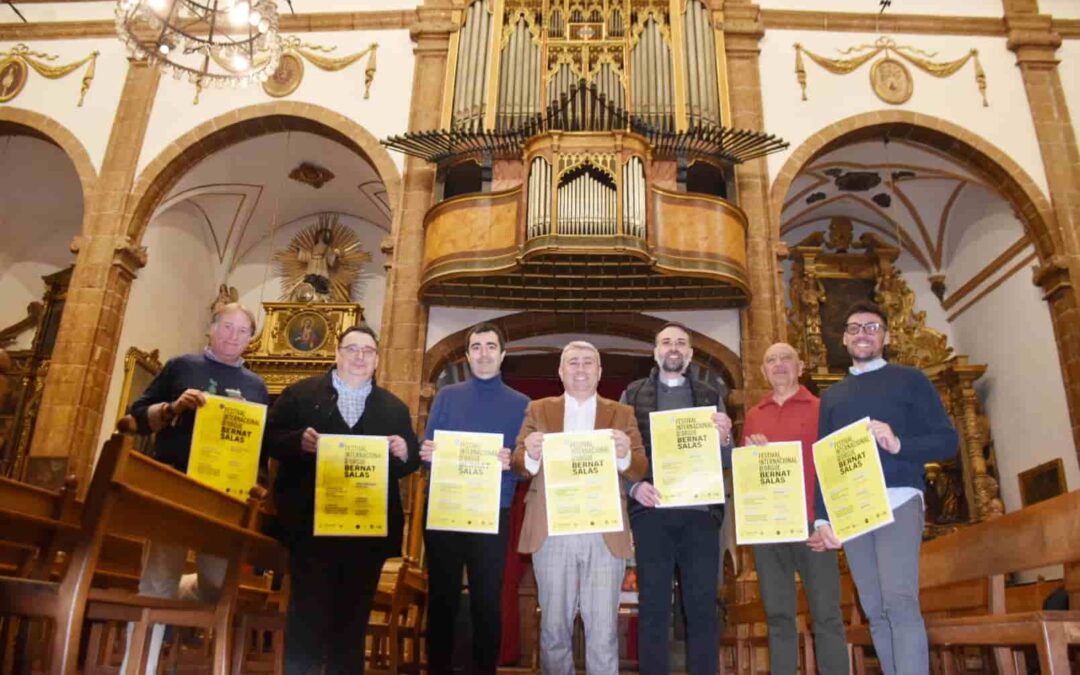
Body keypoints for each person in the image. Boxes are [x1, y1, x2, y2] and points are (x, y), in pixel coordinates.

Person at [810, 301, 958, 675]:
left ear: (886, 336)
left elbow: (947, 441)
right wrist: (822, 519)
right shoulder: (832, 396)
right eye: (855, 327)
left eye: (872, 327)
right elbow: (825, 462)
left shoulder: (911, 379)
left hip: (898, 499)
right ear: (844, 338)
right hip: (855, 508)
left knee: (899, 599)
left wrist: (899, 443)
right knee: (874, 607)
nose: (863, 333)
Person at [264, 324, 420, 674]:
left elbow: (408, 462)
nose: (359, 357)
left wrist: (404, 450)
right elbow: (269, 439)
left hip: (366, 535)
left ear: (377, 359)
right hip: (309, 531)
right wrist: (296, 441)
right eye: (352, 349)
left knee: (352, 625)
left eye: (367, 351)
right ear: (337, 354)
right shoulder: (300, 394)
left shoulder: (394, 408)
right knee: (306, 618)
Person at [122, 302, 268, 674]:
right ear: (211, 329)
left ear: (251, 340)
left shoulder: (256, 386)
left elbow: (258, 450)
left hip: (223, 497)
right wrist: (172, 408)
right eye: (226, 327)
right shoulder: (181, 367)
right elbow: (135, 418)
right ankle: (138, 667)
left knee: (219, 584)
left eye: (242, 331)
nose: (233, 336)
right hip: (176, 484)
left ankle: (186, 607)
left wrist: (259, 484)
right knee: (158, 578)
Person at [511, 340, 648, 675]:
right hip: (553, 528)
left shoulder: (622, 413)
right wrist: (529, 451)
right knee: (554, 628)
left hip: (603, 531)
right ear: (560, 371)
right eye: (573, 362)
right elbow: (518, 464)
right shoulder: (538, 409)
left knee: (603, 629)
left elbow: (640, 467)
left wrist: (624, 454)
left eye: (589, 362)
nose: (581, 369)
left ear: (600, 372)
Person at [621, 321, 732, 675]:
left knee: (701, 606)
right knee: (654, 606)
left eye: (681, 342)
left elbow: (726, 461)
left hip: (700, 514)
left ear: (690, 353)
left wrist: (726, 439)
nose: (673, 347)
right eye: (666, 342)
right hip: (651, 513)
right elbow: (619, 455)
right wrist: (633, 488)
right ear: (655, 352)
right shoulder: (632, 394)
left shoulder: (711, 395)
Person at [420, 322, 529, 675]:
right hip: (445, 509)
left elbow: (527, 465)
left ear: (503, 354)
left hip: (491, 511)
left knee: (486, 600)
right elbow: (428, 450)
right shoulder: (446, 396)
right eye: (477, 347)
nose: (484, 353)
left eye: (491, 346)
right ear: (467, 356)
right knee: (442, 598)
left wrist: (510, 460)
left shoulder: (522, 404)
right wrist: (428, 452)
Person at [743, 342, 848, 674]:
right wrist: (750, 452)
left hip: (813, 526)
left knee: (827, 615)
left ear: (800, 366)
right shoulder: (753, 416)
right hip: (769, 530)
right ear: (763, 371)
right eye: (770, 360)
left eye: (785, 358)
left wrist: (828, 520)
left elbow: (835, 467)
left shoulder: (822, 408)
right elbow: (748, 479)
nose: (778, 365)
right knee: (777, 616)